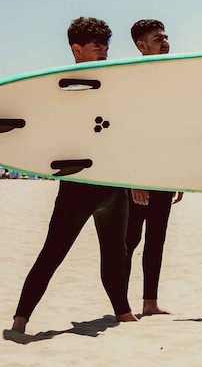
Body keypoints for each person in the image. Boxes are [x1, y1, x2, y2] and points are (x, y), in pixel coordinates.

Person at [10, 18, 137, 334]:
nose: (105, 52)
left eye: (107, 46)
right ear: (76, 49)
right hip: (78, 185)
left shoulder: (115, 86)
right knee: (53, 252)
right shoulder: (59, 89)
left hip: (112, 182)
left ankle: (123, 313)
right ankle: (20, 319)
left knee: (115, 254)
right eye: (98, 47)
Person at [125, 19, 182, 316]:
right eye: (158, 38)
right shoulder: (134, 79)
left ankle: (150, 303)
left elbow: (174, 131)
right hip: (137, 175)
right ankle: (121, 306)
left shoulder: (170, 79)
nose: (165, 42)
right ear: (141, 45)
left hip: (163, 173)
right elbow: (130, 132)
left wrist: (178, 174)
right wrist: (136, 178)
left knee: (156, 240)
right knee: (129, 241)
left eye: (166, 36)